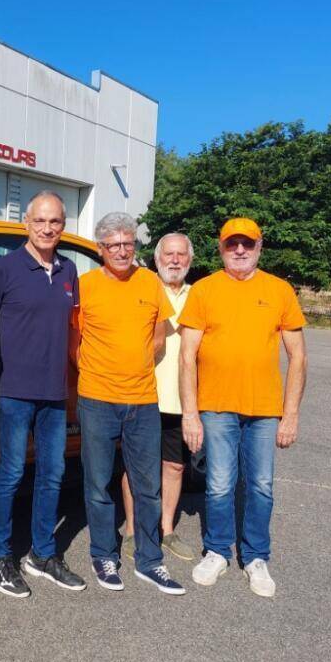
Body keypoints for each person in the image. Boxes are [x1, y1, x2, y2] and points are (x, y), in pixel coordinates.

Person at [180, 217, 307, 598]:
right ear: (220, 248)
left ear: (259, 247)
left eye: (246, 244)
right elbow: (187, 356)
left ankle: (255, 556)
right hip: (216, 406)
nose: (239, 250)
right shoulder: (204, 290)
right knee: (219, 485)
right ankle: (217, 550)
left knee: (261, 485)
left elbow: (298, 357)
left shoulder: (280, 290)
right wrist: (190, 413)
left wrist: (291, 414)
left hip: (265, 410)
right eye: (232, 244)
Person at [73, 211, 186, 596]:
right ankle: (103, 553)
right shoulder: (85, 284)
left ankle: (150, 560)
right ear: (101, 248)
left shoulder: (149, 281)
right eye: (114, 244)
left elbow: (158, 333)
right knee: (98, 483)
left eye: (128, 243)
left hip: (142, 400)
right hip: (97, 399)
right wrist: (95, 369)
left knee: (147, 485)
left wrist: (135, 362)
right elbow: (75, 338)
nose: (122, 250)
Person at [0, 191, 86, 597]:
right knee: (9, 474)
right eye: (40, 221)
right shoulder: (3, 269)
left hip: (55, 392)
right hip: (13, 391)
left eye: (55, 222)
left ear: (63, 225)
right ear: (26, 221)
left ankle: (42, 554)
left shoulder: (69, 270)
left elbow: (75, 329)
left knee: (53, 474)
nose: (47, 229)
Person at [120, 232, 197, 562]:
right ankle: (134, 529)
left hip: (180, 399)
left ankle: (166, 530)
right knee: (134, 466)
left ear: (190, 261)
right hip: (142, 393)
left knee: (174, 466)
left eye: (181, 254)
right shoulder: (142, 289)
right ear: (156, 258)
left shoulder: (200, 295)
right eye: (169, 254)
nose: (175, 260)